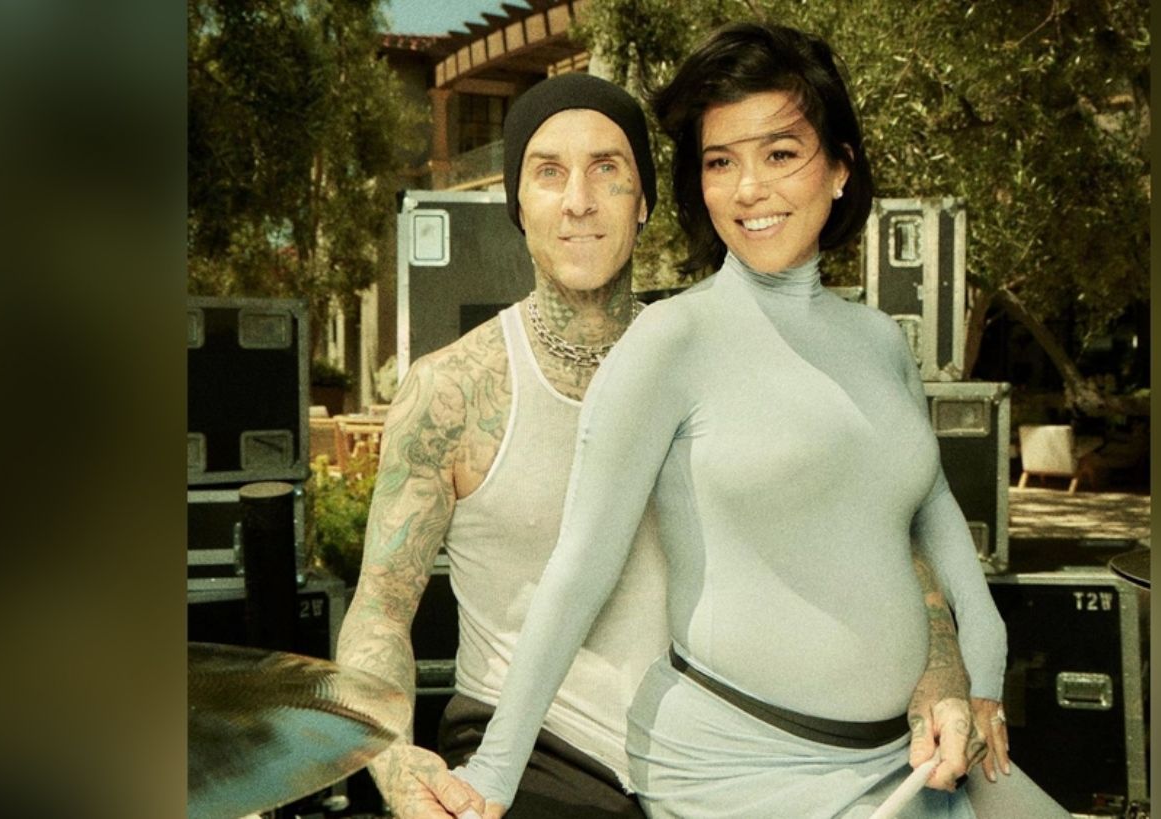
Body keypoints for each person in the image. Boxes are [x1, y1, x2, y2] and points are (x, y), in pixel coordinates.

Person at [453, 24, 1068, 819]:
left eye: (780, 153)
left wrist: (981, 677)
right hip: (736, 770)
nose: (749, 188)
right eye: (721, 162)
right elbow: (579, 571)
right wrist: (493, 772)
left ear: (840, 167)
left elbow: (938, 526)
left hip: (910, 756)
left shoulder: (881, 342)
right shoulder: (670, 342)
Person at [336, 71, 989, 819]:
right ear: (517, 203)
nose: (578, 200)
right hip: (542, 755)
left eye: (606, 169)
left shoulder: (726, 347)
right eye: (548, 173)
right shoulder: (450, 391)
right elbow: (380, 610)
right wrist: (390, 757)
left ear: (644, 200)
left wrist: (941, 668)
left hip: (733, 753)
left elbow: (885, 528)